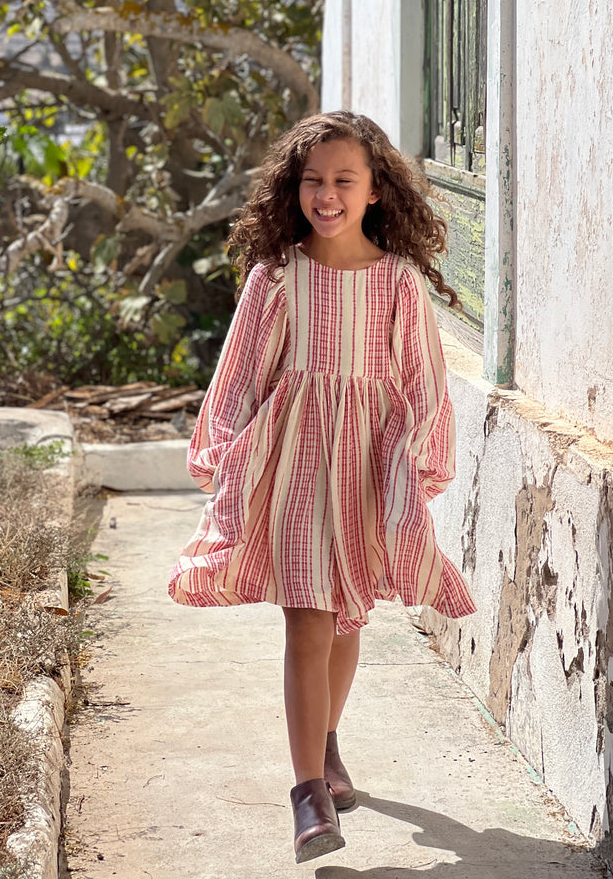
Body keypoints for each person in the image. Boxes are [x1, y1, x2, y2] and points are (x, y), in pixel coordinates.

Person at [168, 110, 475, 863]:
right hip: (296, 462)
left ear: (375, 191)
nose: (327, 194)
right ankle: (308, 795)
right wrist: (218, 458)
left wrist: (422, 464)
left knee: (347, 618)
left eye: (345, 180)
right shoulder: (277, 277)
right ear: (293, 188)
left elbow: (424, 383)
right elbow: (238, 375)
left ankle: (327, 744)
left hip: (369, 464)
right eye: (314, 181)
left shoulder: (398, 283)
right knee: (307, 619)